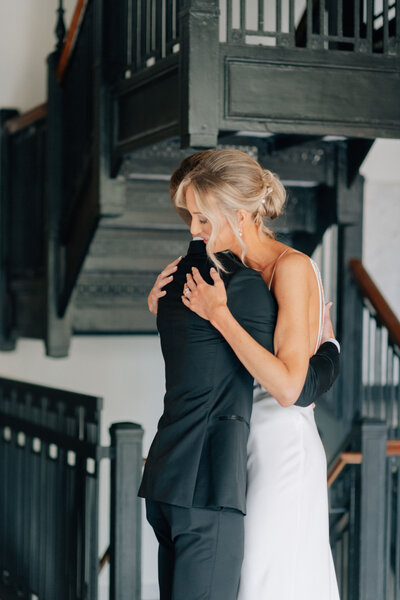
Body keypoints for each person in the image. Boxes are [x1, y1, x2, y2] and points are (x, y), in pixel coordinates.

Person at [139, 152, 340, 600]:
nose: (194, 231)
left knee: (266, 581)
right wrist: (162, 304)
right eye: (191, 217)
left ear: (241, 214)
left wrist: (220, 317)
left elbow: (289, 387)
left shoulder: (291, 268)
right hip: (233, 441)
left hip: (278, 445)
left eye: (204, 219)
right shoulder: (230, 270)